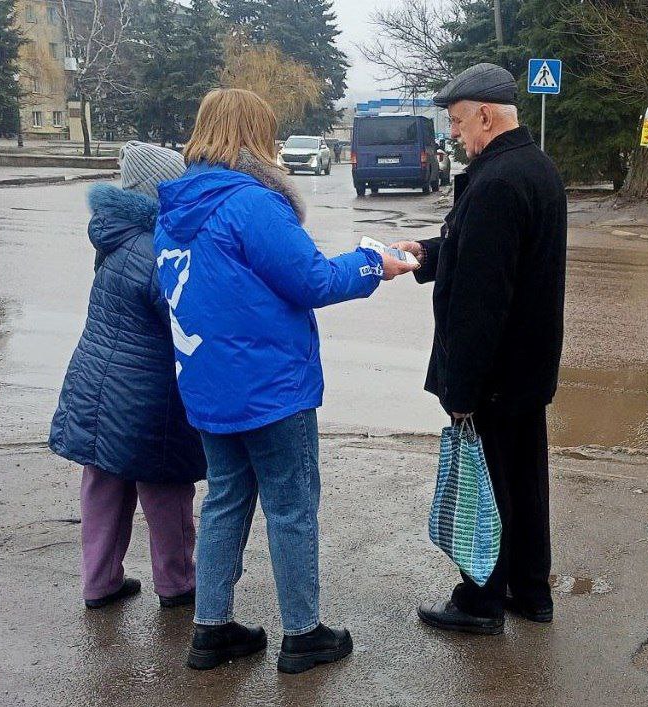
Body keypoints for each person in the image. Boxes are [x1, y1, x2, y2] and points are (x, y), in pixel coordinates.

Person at [155, 88, 416, 673]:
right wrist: (375, 262)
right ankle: (303, 634)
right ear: (253, 135)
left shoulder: (175, 208)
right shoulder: (250, 204)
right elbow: (314, 281)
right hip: (271, 389)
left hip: (206, 386)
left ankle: (211, 629)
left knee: (224, 501)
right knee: (292, 507)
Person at [392, 62, 567, 635]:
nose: (456, 135)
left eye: (460, 122)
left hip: (493, 371)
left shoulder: (494, 183)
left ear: (486, 117)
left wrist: (461, 389)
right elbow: (480, 251)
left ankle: (482, 599)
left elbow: (480, 300)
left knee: (485, 487)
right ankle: (530, 590)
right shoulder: (535, 168)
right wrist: (426, 250)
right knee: (524, 478)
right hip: (527, 365)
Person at [49, 141, 207, 611]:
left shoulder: (115, 236)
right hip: (146, 393)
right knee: (165, 488)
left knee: (103, 485)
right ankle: (177, 582)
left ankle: (99, 582)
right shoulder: (157, 249)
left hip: (96, 382)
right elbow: (183, 317)